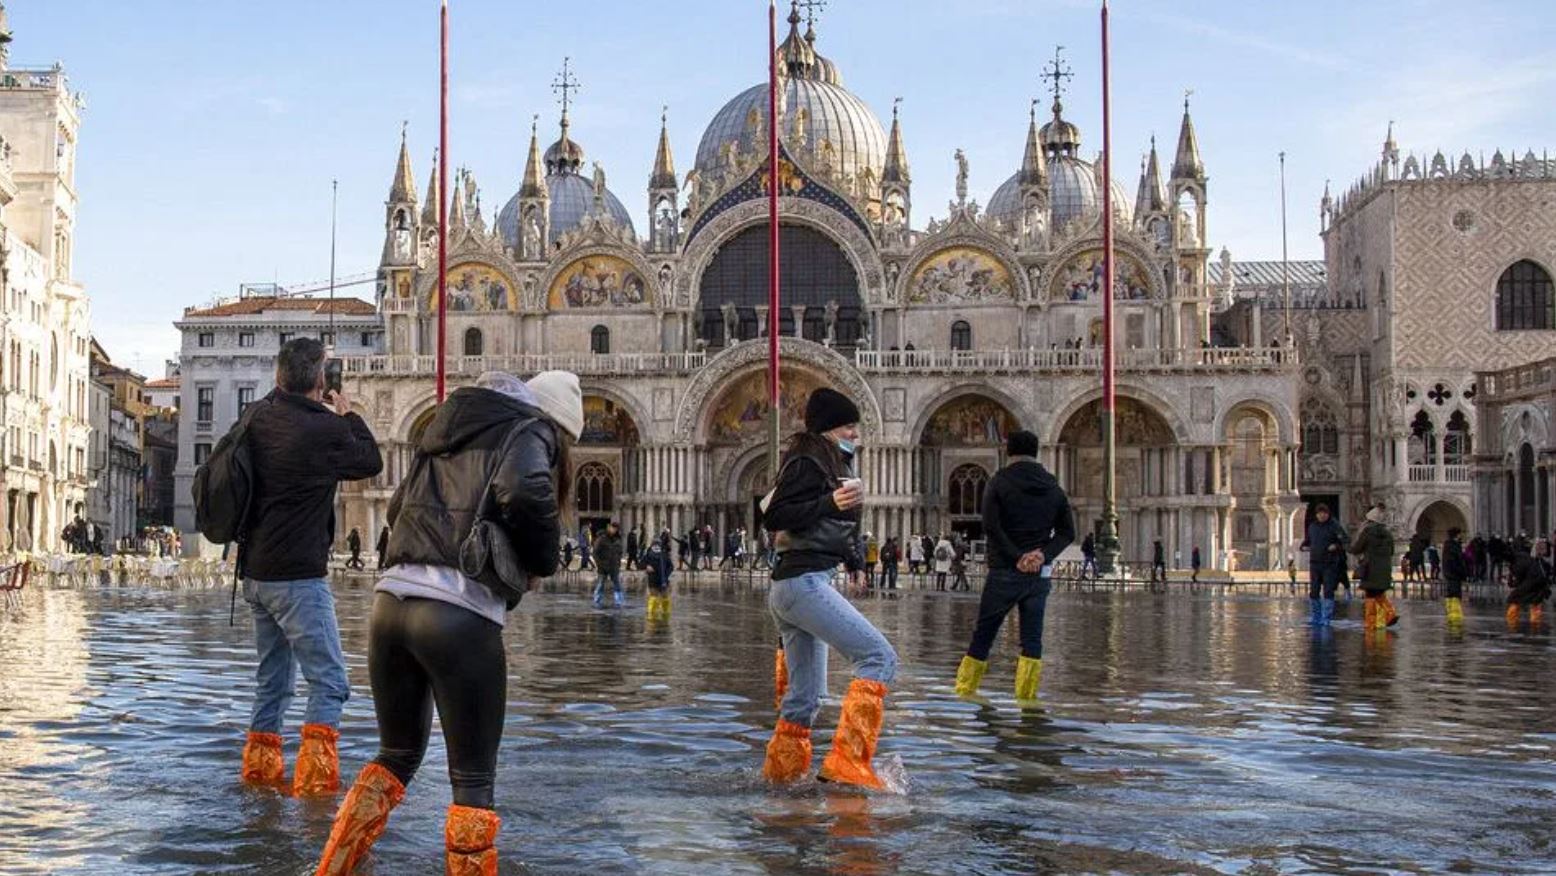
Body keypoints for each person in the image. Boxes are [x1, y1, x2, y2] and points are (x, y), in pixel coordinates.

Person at [313, 370, 575, 874]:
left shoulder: (441, 429)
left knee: (396, 754)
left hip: (390, 604)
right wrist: (542, 560)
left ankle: (334, 867)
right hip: (457, 613)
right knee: (473, 781)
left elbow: (394, 508)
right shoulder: (533, 428)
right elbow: (523, 491)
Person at [238, 338, 383, 797]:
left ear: (279, 376)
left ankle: (260, 779)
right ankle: (316, 791)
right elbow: (371, 460)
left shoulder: (255, 417)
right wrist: (347, 414)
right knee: (331, 683)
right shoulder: (323, 427)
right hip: (298, 577)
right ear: (321, 381)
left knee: (272, 683)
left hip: (255, 575)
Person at [760, 388, 898, 790]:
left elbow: (838, 527)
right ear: (828, 427)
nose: (856, 433)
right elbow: (775, 515)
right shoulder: (806, 460)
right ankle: (849, 762)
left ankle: (782, 778)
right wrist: (830, 503)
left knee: (805, 696)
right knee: (879, 657)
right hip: (802, 584)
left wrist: (855, 563)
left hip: (794, 585)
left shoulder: (830, 463)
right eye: (849, 425)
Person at [954, 430, 1075, 700]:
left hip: (1004, 572)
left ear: (1009, 452)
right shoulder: (1054, 488)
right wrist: (1042, 555)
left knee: (983, 635)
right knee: (1032, 641)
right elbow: (1068, 533)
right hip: (1038, 576)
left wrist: (1016, 556)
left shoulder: (999, 482)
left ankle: (965, 693)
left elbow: (991, 526)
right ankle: (1026, 699)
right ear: (1036, 453)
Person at [1350, 503, 1398, 631]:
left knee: (1371, 596)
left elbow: (1356, 548)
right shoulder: (1388, 534)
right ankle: (1384, 619)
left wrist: (1348, 547)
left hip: (1370, 569)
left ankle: (1372, 624)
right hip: (1384, 570)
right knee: (1379, 594)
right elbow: (1392, 551)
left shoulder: (1367, 532)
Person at [1301, 503, 1347, 627]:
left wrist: (1336, 546)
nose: (1321, 516)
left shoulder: (1334, 526)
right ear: (1316, 515)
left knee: (1328, 590)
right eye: (1319, 513)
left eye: (1324, 513)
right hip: (1315, 562)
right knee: (1314, 590)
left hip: (1329, 563)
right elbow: (1308, 540)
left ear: (1327, 514)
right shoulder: (1312, 526)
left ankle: (1326, 617)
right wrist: (1303, 546)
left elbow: (1345, 541)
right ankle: (1316, 616)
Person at [1505, 538, 1551, 629]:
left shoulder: (1540, 562)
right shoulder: (1528, 560)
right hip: (1532, 586)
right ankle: (1532, 625)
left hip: (1533, 586)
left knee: (1520, 605)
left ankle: (1531, 625)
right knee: (1523, 605)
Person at [592, 521, 625, 608]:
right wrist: (599, 564)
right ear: (609, 527)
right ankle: (597, 600)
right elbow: (595, 553)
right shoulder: (602, 539)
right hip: (603, 566)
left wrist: (618, 563)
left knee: (617, 584)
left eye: (616, 528)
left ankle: (619, 601)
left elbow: (620, 552)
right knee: (600, 584)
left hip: (614, 566)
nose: (614, 530)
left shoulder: (618, 539)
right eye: (613, 528)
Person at [643, 530, 674, 621]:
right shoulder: (648, 554)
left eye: (658, 545)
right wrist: (646, 567)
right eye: (655, 545)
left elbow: (671, 566)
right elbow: (641, 563)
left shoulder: (664, 554)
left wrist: (666, 574)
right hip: (653, 580)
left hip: (663, 580)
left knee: (665, 598)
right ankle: (651, 616)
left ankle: (664, 615)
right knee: (654, 598)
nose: (656, 547)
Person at [1442, 527, 1467, 624]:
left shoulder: (1448, 545)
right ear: (1457, 535)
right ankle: (1455, 615)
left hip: (1450, 574)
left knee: (1451, 594)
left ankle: (1451, 614)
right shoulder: (1453, 546)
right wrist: (1462, 572)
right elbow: (1456, 562)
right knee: (1455, 594)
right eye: (1460, 534)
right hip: (1454, 574)